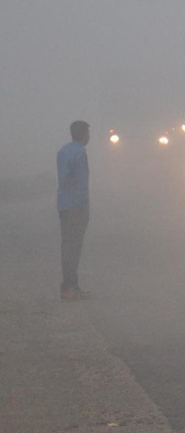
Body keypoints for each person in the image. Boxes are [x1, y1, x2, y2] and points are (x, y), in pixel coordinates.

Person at [57, 120, 92, 300]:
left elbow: (63, 178)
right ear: (83, 134)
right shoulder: (79, 153)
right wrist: (82, 205)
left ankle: (71, 285)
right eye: (88, 133)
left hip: (64, 204)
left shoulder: (63, 150)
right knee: (74, 247)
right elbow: (80, 182)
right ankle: (70, 287)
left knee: (68, 246)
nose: (89, 137)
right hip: (76, 207)